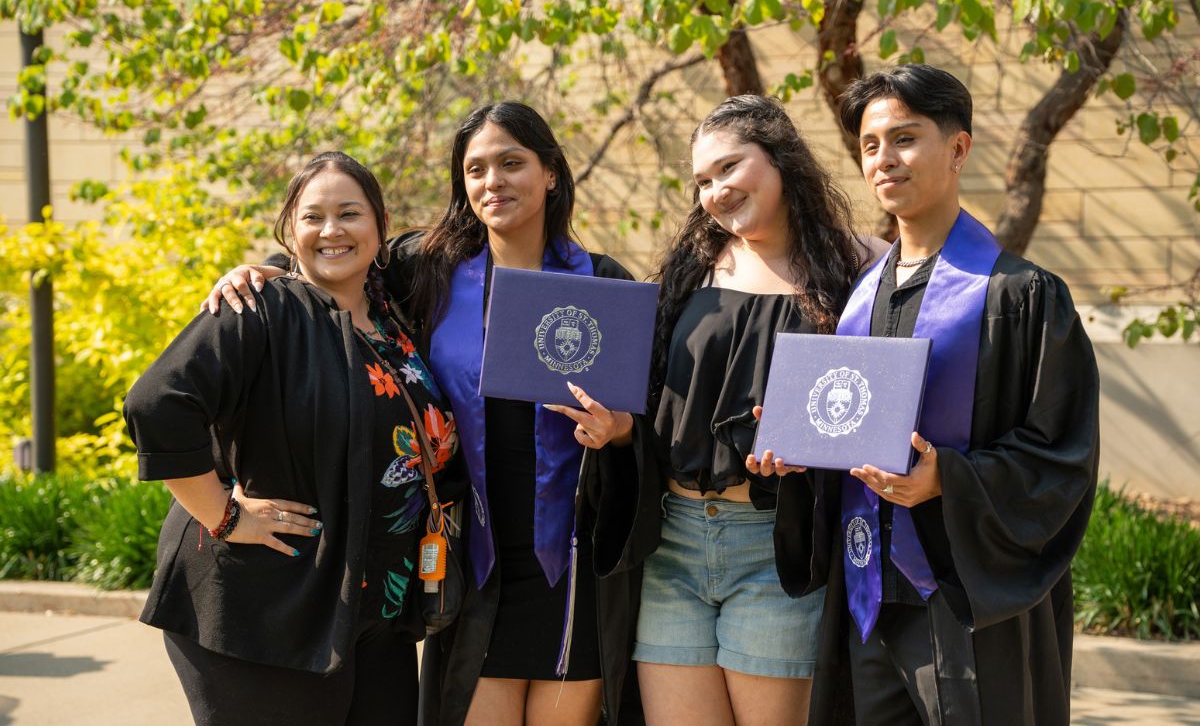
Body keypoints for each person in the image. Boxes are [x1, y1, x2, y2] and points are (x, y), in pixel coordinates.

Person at [204, 103, 644, 726]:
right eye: (476, 169)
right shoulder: (427, 272)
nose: (494, 182)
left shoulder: (601, 283)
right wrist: (267, 271)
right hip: (472, 563)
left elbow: (641, 427)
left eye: (512, 163)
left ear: (550, 173)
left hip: (569, 565)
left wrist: (618, 431)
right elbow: (338, 260)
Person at [749, 64, 1101, 725]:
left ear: (959, 148)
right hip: (868, 595)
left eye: (905, 138)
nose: (884, 160)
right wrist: (801, 452)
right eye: (870, 145)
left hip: (969, 596)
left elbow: (1062, 453)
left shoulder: (1019, 295)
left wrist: (951, 479)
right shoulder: (859, 295)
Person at [126, 152, 463, 725]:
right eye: (313, 217)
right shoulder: (255, 308)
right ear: (290, 231)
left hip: (375, 609)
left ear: (380, 226)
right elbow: (157, 405)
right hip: (268, 611)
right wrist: (226, 516)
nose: (331, 230)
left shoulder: (393, 314)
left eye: (349, 213)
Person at [597, 95, 865, 725]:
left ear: (780, 159)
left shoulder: (858, 265)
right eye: (702, 181)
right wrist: (616, 430)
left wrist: (816, 448)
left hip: (773, 547)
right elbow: (657, 401)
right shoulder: (690, 270)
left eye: (729, 168)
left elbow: (871, 403)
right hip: (674, 545)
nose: (715, 191)